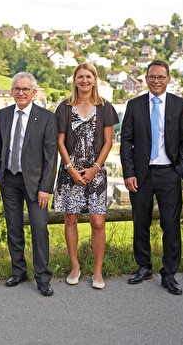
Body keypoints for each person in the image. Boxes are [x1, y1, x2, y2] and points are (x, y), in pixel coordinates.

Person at [120, 60, 183, 295]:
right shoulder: (134, 105)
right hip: (140, 176)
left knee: (170, 225)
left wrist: (179, 171)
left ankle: (169, 273)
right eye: (152, 77)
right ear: (146, 78)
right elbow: (126, 142)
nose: (156, 81)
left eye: (161, 77)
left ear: (169, 79)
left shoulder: (180, 105)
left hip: (168, 173)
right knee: (140, 222)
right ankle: (144, 266)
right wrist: (129, 173)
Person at [0, 72, 58, 296]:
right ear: (12, 92)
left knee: (39, 229)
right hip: (9, 179)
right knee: (14, 227)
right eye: (17, 89)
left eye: (25, 89)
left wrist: (45, 188)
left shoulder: (47, 117)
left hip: (36, 183)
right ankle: (18, 271)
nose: (21, 93)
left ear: (33, 92)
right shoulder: (3, 114)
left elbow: (51, 157)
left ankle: (42, 278)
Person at [53, 63, 118, 289]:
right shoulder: (64, 107)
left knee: (97, 222)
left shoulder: (104, 107)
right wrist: (70, 168)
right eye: (80, 77)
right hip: (70, 170)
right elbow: (60, 141)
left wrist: (95, 169)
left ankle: (98, 272)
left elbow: (109, 142)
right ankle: (75, 267)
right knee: (70, 218)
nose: (84, 80)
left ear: (95, 80)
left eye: (88, 76)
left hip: (96, 171)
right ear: (74, 80)